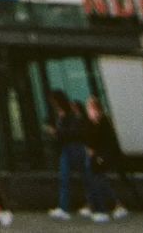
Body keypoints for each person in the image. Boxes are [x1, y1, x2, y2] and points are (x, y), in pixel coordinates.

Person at [45, 90, 90, 219]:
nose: (53, 104)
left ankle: (86, 204)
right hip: (68, 147)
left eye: (54, 101)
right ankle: (64, 207)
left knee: (83, 176)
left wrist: (56, 132)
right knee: (68, 177)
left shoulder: (69, 113)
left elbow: (74, 131)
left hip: (75, 146)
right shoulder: (61, 114)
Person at [84, 96, 129, 220]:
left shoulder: (103, 123)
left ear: (97, 110)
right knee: (98, 180)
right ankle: (107, 206)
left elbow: (106, 142)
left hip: (101, 156)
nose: (89, 112)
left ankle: (101, 208)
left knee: (97, 181)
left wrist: (98, 154)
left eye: (91, 109)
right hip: (95, 156)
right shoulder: (91, 124)